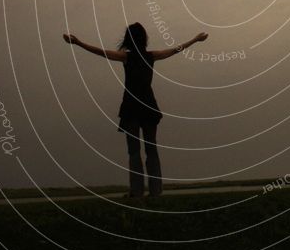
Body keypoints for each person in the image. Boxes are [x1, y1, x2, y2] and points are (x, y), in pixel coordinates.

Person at [62, 23, 208, 198]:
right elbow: (175, 50)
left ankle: (137, 191)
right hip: (147, 105)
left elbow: (103, 52)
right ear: (144, 38)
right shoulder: (151, 56)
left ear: (128, 39)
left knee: (134, 151)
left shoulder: (127, 57)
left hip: (131, 106)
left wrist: (78, 43)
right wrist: (195, 39)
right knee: (151, 149)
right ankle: (155, 191)